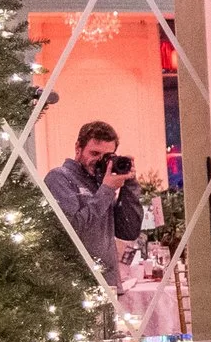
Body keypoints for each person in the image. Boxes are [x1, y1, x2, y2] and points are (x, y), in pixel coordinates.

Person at [46, 120, 146, 289]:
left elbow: (129, 231)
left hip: (108, 283)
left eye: (106, 156)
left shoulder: (100, 184)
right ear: (78, 148)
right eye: (94, 153)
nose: (99, 160)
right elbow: (71, 228)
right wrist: (106, 190)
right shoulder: (59, 178)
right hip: (76, 287)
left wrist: (129, 183)